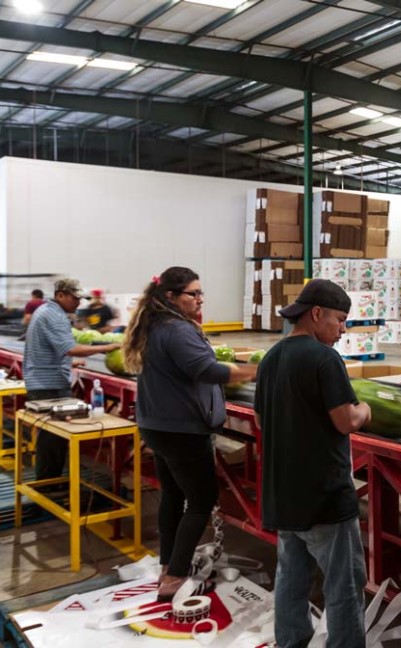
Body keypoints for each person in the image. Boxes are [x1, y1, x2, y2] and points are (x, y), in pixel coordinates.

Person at [122, 267, 257, 602]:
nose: (200, 299)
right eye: (193, 294)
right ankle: (175, 578)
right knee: (201, 500)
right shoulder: (176, 329)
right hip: (181, 429)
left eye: (200, 293)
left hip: (158, 425)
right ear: (170, 297)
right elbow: (207, 370)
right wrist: (262, 370)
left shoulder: (155, 325)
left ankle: (168, 565)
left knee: (172, 496)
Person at [255, 279, 371, 648]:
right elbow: (345, 421)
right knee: (344, 588)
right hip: (324, 498)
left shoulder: (271, 357)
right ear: (316, 313)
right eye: (339, 319)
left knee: (291, 582)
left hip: (283, 495)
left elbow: (260, 420)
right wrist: (366, 409)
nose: (343, 329)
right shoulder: (324, 358)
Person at [24, 278, 120, 482]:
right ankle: (48, 484)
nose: (79, 303)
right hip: (48, 385)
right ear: (60, 295)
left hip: (43, 379)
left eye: (81, 298)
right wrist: (106, 347)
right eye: (75, 298)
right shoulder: (54, 316)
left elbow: (49, 349)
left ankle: (48, 481)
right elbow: (71, 349)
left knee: (51, 437)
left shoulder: (45, 311)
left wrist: (68, 364)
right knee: (54, 438)